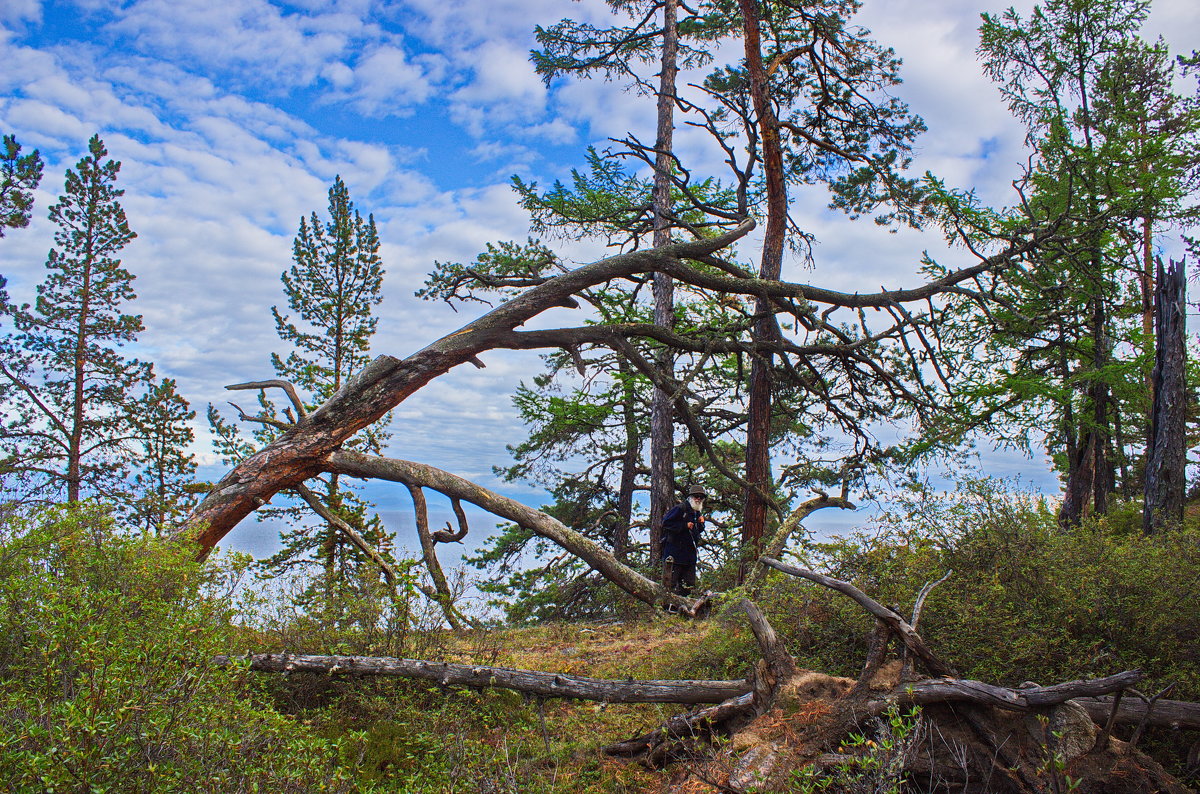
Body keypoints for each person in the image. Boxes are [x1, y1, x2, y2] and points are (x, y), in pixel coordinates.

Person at [661, 485, 706, 597]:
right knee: (669, 585)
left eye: (701, 497)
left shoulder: (697, 512)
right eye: (696, 496)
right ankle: (665, 609)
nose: (698, 499)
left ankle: (683, 611)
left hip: (689, 557)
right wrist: (684, 525)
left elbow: (696, 532)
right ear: (690, 497)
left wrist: (701, 524)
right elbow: (666, 523)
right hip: (674, 555)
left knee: (688, 586)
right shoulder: (680, 508)